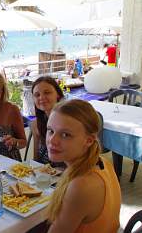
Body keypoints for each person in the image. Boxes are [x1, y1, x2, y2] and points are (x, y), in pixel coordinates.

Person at [46, 99, 121, 232]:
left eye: (65, 135)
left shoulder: (80, 186)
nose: (52, 140)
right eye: (51, 131)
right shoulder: (103, 163)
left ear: (89, 140)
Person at [31, 76, 65, 166]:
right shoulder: (35, 124)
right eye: (37, 95)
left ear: (57, 94)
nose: (41, 97)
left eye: (47, 93)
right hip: (43, 175)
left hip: (66, 175)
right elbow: (36, 159)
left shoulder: (68, 123)